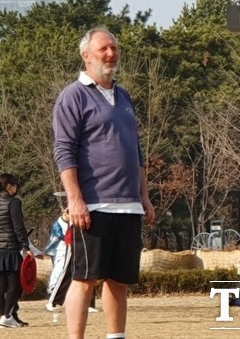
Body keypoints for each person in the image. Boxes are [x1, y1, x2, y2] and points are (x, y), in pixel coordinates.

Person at [53, 27, 155, 339]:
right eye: (103, 49)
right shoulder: (73, 96)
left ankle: (116, 337)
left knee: (119, 280)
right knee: (85, 278)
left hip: (128, 204)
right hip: (93, 204)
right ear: (86, 56)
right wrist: (76, 200)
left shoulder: (123, 96)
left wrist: (145, 196)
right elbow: (64, 150)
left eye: (114, 48)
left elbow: (136, 150)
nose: (111, 54)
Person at [0, 173, 33, 328]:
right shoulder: (13, 203)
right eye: (15, 185)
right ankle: (7, 316)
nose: (16, 187)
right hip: (11, 248)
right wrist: (26, 247)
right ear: (8, 187)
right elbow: (18, 227)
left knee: (1, 286)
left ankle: (7, 316)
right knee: (16, 285)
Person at [45, 208, 70, 298]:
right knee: (58, 268)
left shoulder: (70, 223)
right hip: (56, 250)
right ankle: (52, 287)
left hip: (67, 249)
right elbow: (59, 235)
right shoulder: (57, 223)